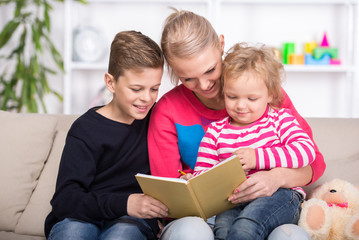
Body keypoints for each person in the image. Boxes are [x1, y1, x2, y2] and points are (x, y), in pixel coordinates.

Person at [148, 8, 326, 239]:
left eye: (210, 69)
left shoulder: (262, 92)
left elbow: (314, 161)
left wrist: (277, 177)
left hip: (275, 200)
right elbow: (172, 193)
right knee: (197, 231)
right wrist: (196, 182)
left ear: (221, 44)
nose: (203, 85)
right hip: (211, 213)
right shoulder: (171, 113)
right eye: (188, 78)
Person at [45, 30, 168, 240]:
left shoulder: (159, 118)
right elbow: (65, 199)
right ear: (111, 83)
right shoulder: (85, 129)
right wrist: (125, 203)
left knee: (122, 235)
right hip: (82, 217)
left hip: (131, 221)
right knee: (73, 233)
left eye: (154, 89)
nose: (147, 98)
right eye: (136, 89)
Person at [192, 42, 316, 239]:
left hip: (279, 196)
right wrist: (213, 175)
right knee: (223, 231)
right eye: (232, 97)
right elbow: (202, 174)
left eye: (251, 99)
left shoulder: (280, 119)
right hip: (233, 200)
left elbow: (305, 151)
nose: (241, 105)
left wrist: (257, 157)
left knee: (245, 227)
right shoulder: (215, 132)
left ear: (271, 95)